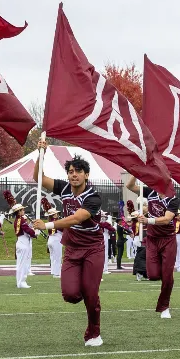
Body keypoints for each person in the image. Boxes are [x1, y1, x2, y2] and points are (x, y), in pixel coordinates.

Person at [32, 144, 104, 346]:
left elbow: (76, 218)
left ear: (86, 175)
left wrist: (47, 224)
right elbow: (38, 177)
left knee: (90, 293)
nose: (74, 175)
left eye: (78, 172)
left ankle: (94, 333)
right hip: (72, 247)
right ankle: (88, 292)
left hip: (93, 247)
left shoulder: (93, 197)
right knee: (70, 295)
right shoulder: (63, 187)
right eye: (71, 172)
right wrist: (41, 154)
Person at [124, 176, 180, 319]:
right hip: (152, 239)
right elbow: (130, 186)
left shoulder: (173, 199)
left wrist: (148, 220)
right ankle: (165, 274)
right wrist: (136, 172)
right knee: (153, 275)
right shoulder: (150, 192)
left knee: (167, 276)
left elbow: (167, 219)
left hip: (167, 239)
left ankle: (164, 306)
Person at [6, 196, 35, 289]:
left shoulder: (19, 220)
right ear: (19, 212)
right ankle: (21, 282)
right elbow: (27, 230)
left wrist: (31, 226)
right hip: (23, 241)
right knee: (23, 264)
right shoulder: (21, 220)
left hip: (21, 241)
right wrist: (34, 233)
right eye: (22, 210)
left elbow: (25, 228)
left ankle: (20, 282)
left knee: (21, 263)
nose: (24, 211)